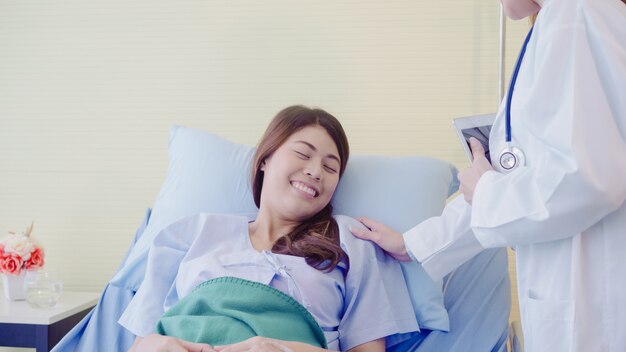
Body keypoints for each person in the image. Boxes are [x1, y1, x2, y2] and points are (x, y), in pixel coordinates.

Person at [351, 0, 626, 351]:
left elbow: (592, 180)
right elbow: (528, 173)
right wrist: (415, 245)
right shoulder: (563, 20)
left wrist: (487, 192)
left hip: (591, 301)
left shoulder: (577, 13)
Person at [119, 105, 418, 352]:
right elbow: (140, 343)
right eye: (303, 154)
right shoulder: (189, 233)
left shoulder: (350, 241)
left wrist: (278, 347)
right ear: (265, 158)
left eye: (330, 167)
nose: (315, 171)